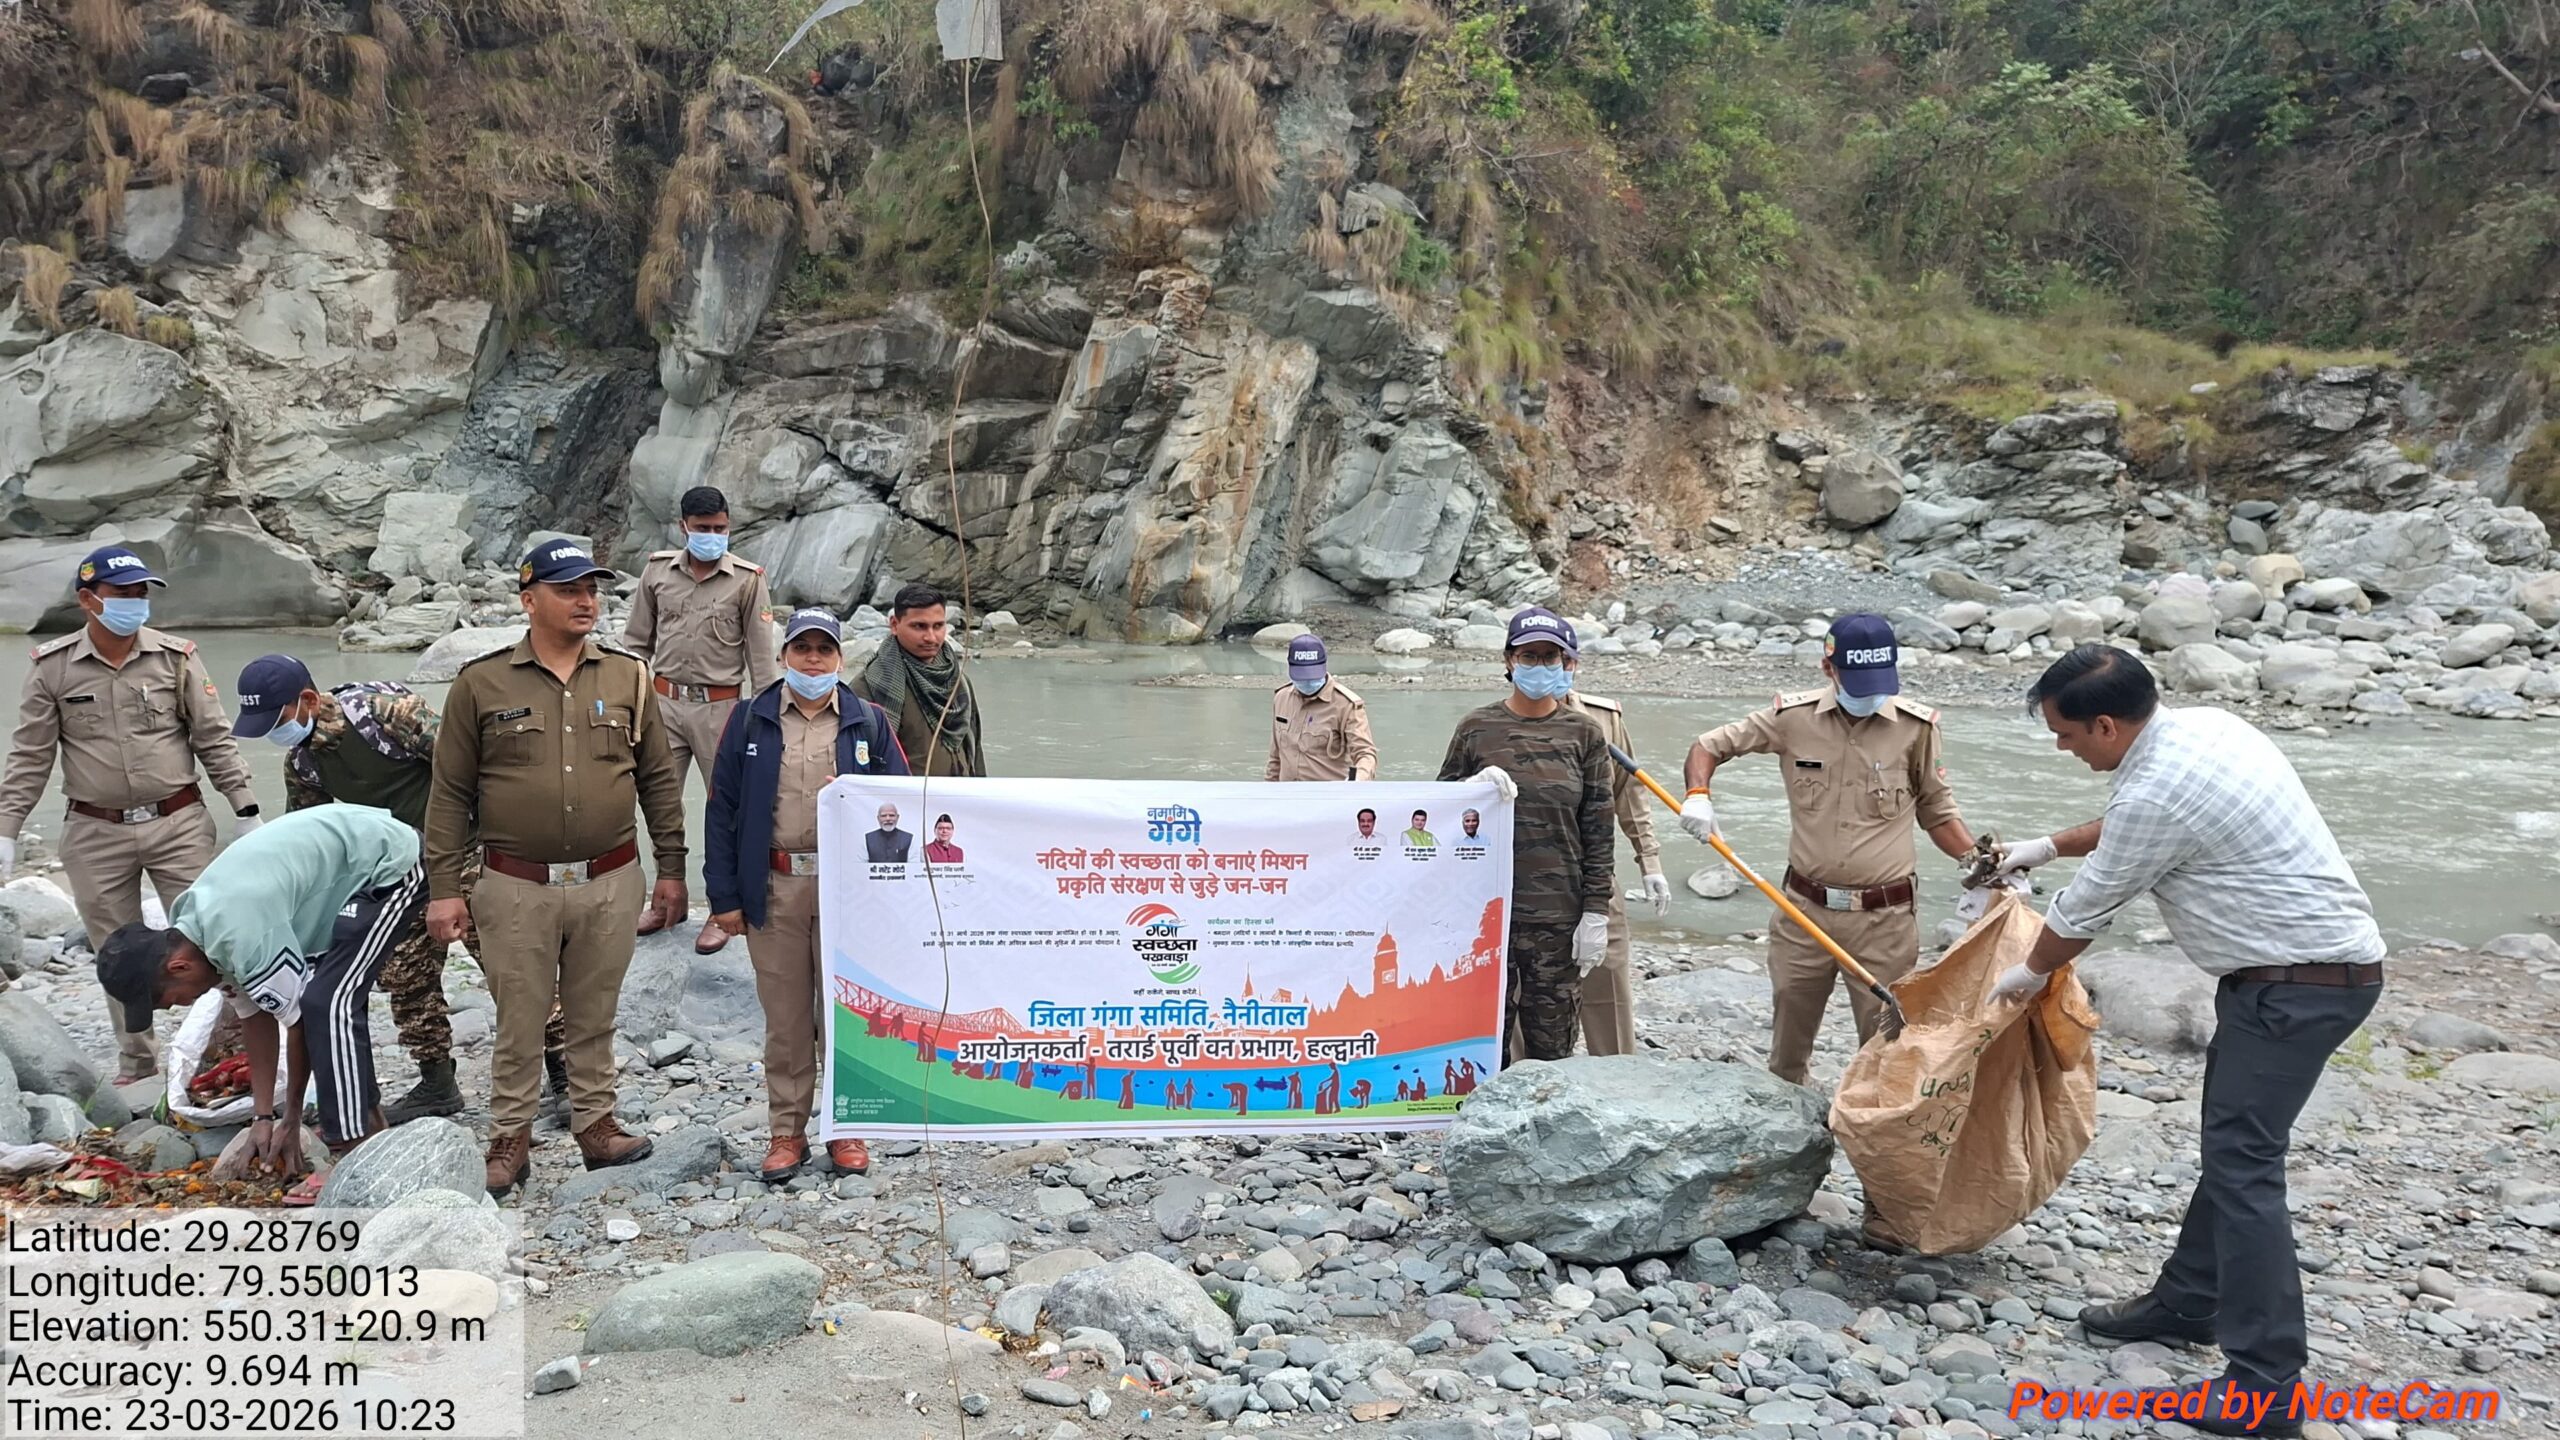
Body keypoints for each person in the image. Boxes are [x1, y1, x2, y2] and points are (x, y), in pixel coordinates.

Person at [1989, 645, 2384, 1438]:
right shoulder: (2204, 729)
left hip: (2296, 988)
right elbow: (2135, 824)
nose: (2063, 748)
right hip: (2301, 976)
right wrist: (2048, 845)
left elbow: (2087, 907)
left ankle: (2266, 1389)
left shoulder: (2158, 790)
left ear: (2106, 725)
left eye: (2067, 734)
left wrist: (2027, 973)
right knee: (2234, 1150)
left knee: (2244, 1169)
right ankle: (2187, 1302)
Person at [424, 539, 687, 1194]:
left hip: (611, 879)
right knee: (520, 1017)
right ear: (528, 599)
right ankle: (509, 1141)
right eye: (568, 589)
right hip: (516, 884)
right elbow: (450, 794)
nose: (586, 601)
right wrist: (444, 889)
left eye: (591, 589)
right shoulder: (481, 682)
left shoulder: (628, 677)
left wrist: (673, 867)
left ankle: (596, 1126)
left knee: (595, 1012)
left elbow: (658, 779)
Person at [232, 654, 569, 1124]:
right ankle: (437, 1081)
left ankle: (564, 1073)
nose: (273, 732)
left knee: (511, 963)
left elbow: (468, 766)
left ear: (306, 699)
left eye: (277, 719)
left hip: (467, 851)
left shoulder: (384, 715)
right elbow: (313, 841)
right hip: (399, 869)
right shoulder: (304, 764)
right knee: (405, 975)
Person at [0, 545, 262, 1082]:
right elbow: (30, 757)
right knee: (114, 951)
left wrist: (246, 809)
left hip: (179, 822)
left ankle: (231, 1055)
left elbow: (213, 737)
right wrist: (7, 830)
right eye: (123, 593)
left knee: (213, 939)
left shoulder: (175, 657)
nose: (136, 601)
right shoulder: (53, 667)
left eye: (142, 592)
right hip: (95, 831)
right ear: (88, 600)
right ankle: (138, 1061)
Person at [1680, 614, 1974, 1086]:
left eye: (1878, 682)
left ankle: (1870, 1130)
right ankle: (1784, 1122)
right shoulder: (1792, 719)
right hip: (1803, 914)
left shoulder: (1916, 728)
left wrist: (1981, 866)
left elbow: (1937, 811)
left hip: (1884, 921)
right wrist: (1698, 795)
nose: (1870, 695)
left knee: (1885, 1052)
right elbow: (1707, 746)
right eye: (1857, 682)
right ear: (1828, 668)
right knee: (1787, 1050)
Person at [94, 806, 424, 1202]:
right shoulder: (197, 934)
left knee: (327, 1003)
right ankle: (372, 1131)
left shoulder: (241, 936)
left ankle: (350, 1152)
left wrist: (292, 1119)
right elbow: (255, 1017)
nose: (179, 1007)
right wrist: (263, 1117)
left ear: (178, 967)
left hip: (388, 864)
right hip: (341, 872)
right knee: (329, 998)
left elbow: (298, 1021)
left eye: (170, 1002)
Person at [704, 610, 909, 1182]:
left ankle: (847, 1129)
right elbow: (721, 809)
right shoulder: (751, 719)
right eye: (802, 649)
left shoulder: (869, 721)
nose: (813, 660)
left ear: (841, 657)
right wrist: (724, 896)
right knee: (787, 1018)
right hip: (774, 885)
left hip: (849, 891)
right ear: (784, 655)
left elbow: (902, 803)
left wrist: (860, 797)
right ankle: (786, 1133)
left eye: (824, 649)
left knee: (846, 1013)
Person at [1436, 607, 1614, 1064]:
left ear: (1566, 662)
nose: (1539, 665)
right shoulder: (1476, 729)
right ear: (1509, 660)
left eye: (1549, 657)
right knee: (1480, 1043)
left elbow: (1598, 829)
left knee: (1552, 1049)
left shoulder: (1585, 734)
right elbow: (1435, 815)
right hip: (1485, 915)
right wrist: (1470, 789)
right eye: (1528, 656)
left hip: (1557, 917)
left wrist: (1596, 911)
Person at [620, 485, 779, 955]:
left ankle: (721, 908)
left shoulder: (747, 580)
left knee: (727, 810)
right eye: (703, 528)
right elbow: (636, 645)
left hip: (722, 710)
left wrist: (766, 721)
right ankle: (665, 896)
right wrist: (628, 702)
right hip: (662, 704)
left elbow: (762, 661)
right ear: (684, 527)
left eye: (720, 528)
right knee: (658, 802)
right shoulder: (657, 572)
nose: (713, 536)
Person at [1558, 685, 1672, 1058]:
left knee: (1608, 991)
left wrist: (1649, 860)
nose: (1548, 667)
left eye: (1559, 659)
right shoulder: (1496, 723)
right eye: (1531, 658)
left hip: (1596, 880)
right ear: (1511, 663)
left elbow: (1629, 791)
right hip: (1525, 885)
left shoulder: (1605, 718)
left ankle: (1620, 1081)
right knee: (1525, 1004)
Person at [852, 583, 983, 777]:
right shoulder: (868, 687)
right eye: (919, 626)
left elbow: (975, 749)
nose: (931, 637)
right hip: (903, 795)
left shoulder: (959, 681)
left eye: (938, 626)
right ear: (894, 625)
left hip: (961, 793)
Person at [1266, 634, 1377, 782]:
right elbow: (1275, 758)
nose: (1307, 681)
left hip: (1329, 794)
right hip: (1286, 793)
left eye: (1312, 676)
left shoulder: (1346, 705)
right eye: (1302, 676)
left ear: (1324, 667)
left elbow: (1365, 754)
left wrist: (1356, 781)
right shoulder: (1281, 698)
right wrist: (1268, 790)